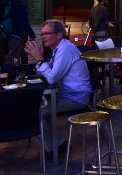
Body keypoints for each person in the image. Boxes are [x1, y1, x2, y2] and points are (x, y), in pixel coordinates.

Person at [24, 20, 91, 154]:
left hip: (76, 98)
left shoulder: (66, 49)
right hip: (65, 94)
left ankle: (57, 148)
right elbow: (47, 73)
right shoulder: (59, 50)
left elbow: (52, 77)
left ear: (59, 34)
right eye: (42, 34)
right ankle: (55, 145)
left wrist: (39, 59)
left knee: (39, 112)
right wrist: (41, 59)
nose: (43, 36)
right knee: (35, 106)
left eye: (47, 33)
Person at [0, 0, 35, 65]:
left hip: (2, 35)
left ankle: (3, 75)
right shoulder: (18, 3)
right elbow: (23, 22)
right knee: (13, 59)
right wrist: (31, 34)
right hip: (14, 35)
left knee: (3, 59)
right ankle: (11, 76)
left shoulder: (2, 1)